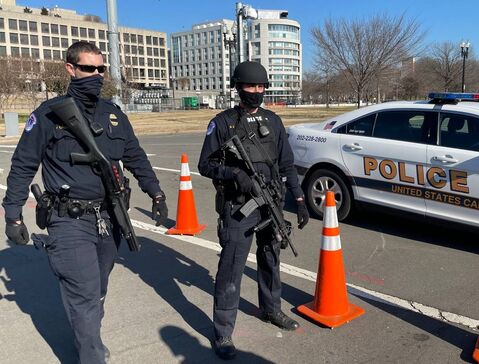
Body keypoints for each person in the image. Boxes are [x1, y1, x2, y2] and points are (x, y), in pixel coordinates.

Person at [2, 41, 168, 364]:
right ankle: (91, 355)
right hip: (68, 220)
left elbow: (135, 156)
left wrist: (156, 193)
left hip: (109, 217)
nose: (96, 75)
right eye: (88, 69)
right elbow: (23, 165)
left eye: (100, 69)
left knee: (99, 288)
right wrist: (13, 215)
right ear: (70, 69)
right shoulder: (49, 115)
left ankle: (89, 338)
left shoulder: (114, 116)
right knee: (85, 293)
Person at [198, 61, 309, 360]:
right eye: (250, 86)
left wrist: (299, 201)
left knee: (271, 258)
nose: (256, 92)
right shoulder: (222, 123)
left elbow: (287, 164)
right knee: (231, 268)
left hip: (270, 201)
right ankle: (223, 332)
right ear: (238, 87)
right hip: (239, 206)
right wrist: (235, 175)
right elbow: (205, 164)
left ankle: (271, 309)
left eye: (261, 87)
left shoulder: (273, 121)